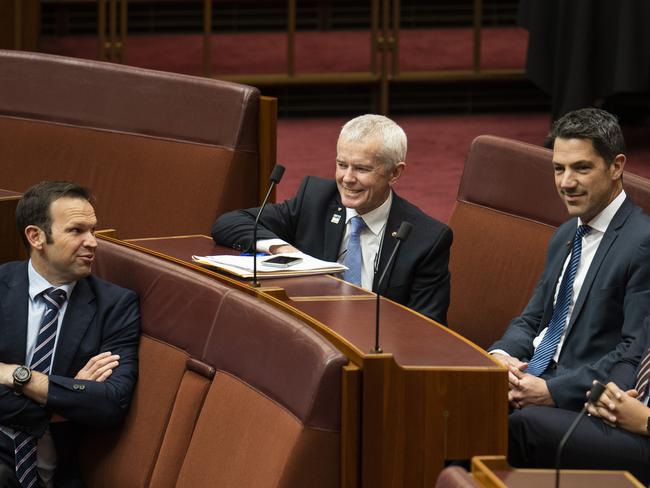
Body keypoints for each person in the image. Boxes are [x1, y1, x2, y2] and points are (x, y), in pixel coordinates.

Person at [211, 114, 452, 324]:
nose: (347, 178)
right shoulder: (317, 199)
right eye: (341, 164)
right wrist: (283, 248)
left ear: (395, 172)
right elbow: (229, 223)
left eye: (362, 169)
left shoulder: (425, 238)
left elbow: (427, 325)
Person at [489, 108, 650, 411]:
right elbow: (533, 319)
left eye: (581, 168)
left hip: (575, 397)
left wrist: (553, 391)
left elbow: (632, 352)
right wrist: (502, 356)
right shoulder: (566, 233)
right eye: (559, 169)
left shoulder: (643, 242)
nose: (566, 182)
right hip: (529, 375)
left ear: (616, 166)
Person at [0, 181, 140, 487]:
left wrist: (19, 377)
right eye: (77, 231)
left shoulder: (116, 305)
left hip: (55, 471)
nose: (93, 242)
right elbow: (87, 400)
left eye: (93, 230)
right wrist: (67, 400)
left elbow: (110, 404)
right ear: (36, 237)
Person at [508, 315, 650, 485]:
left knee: (526, 426)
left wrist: (644, 420)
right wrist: (613, 398)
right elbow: (631, 360)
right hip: (626, 417)